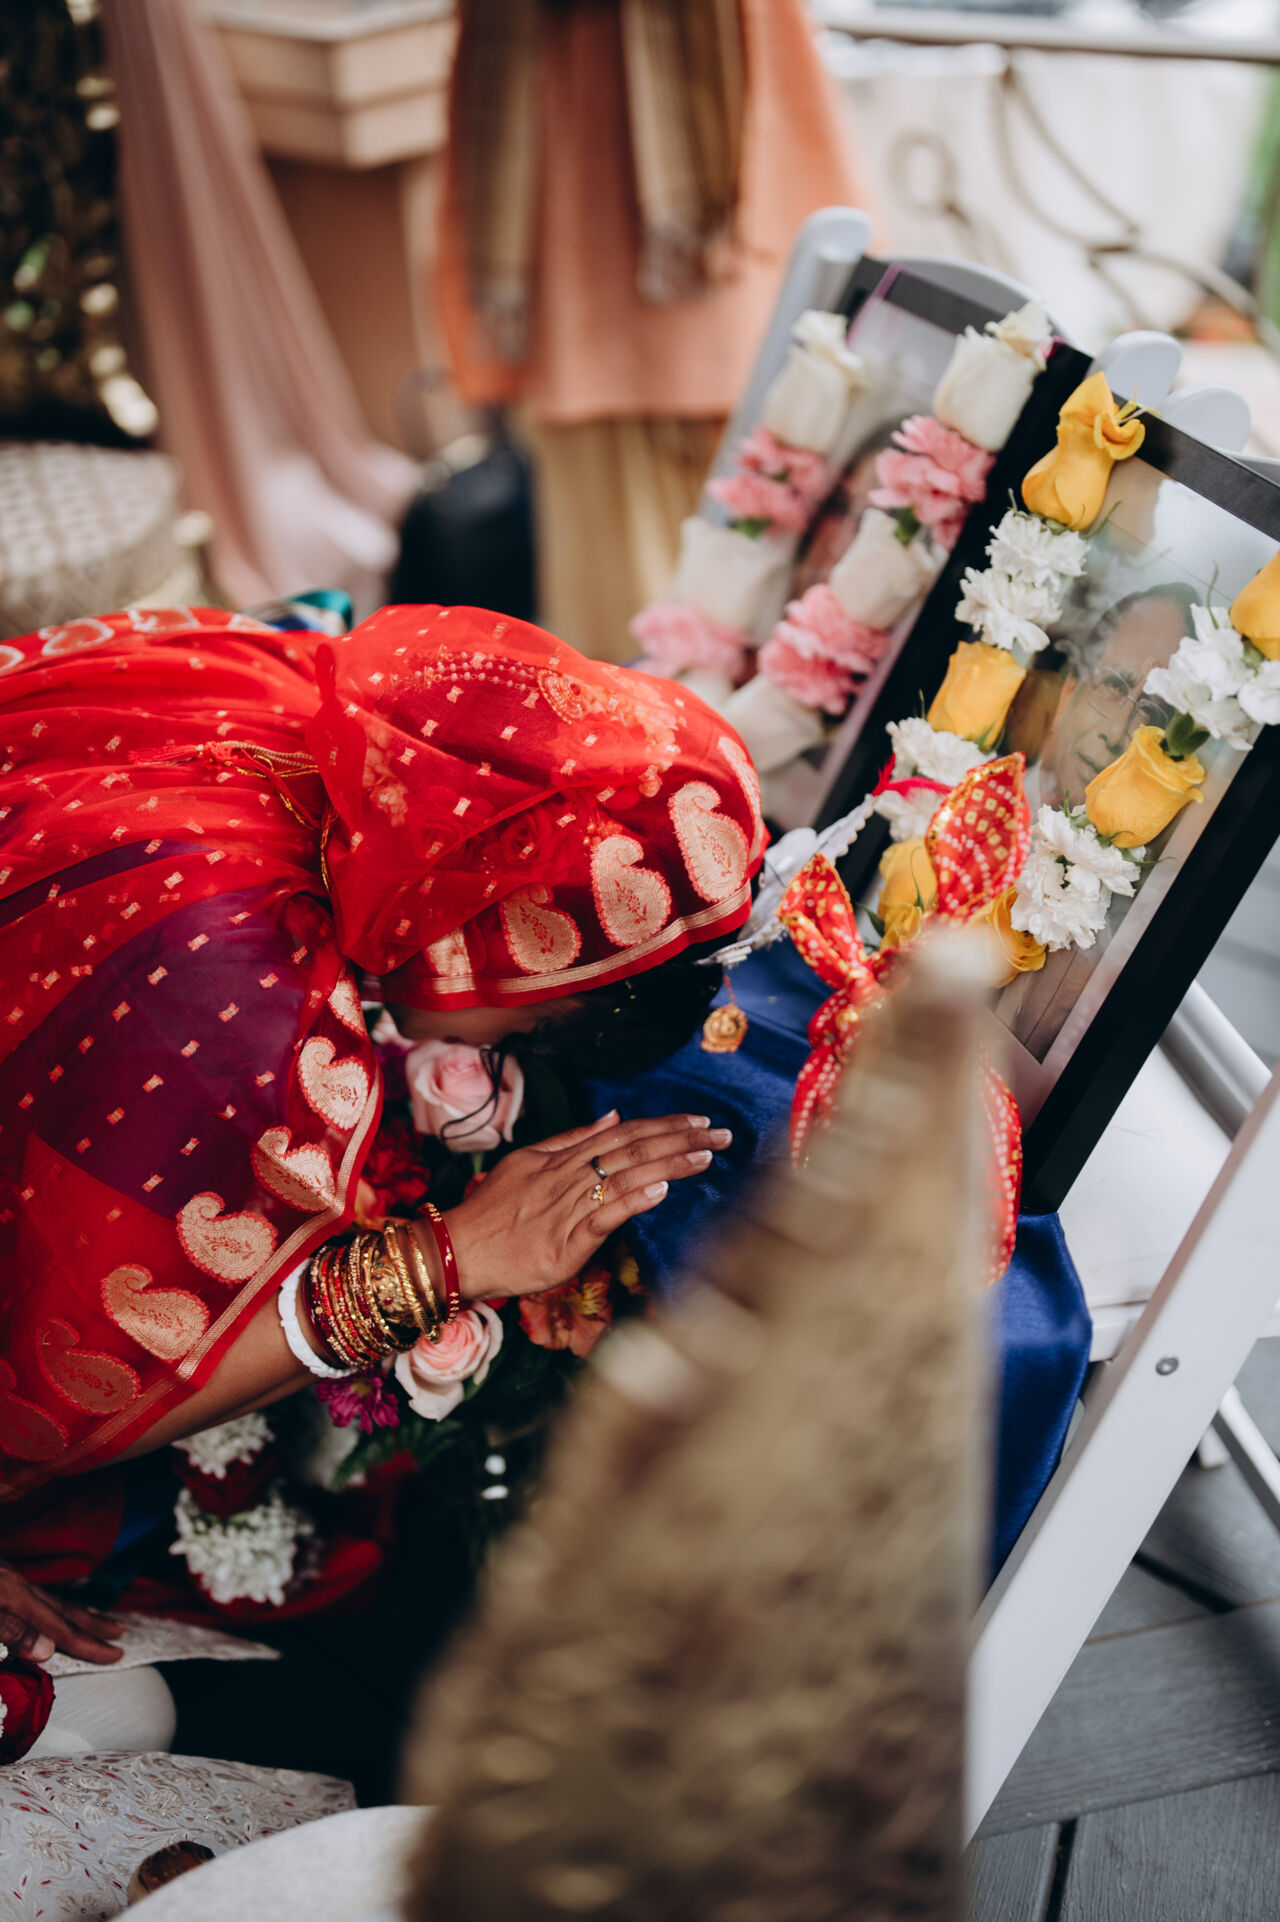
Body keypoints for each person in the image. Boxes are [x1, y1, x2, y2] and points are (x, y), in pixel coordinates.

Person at [0, 602, 766, 1670]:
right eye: (526, 1034)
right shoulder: (255, 1013)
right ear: (508, 956)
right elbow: (86, 1386)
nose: (494, 1052)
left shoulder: (294, 693)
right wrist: (453, 1260)